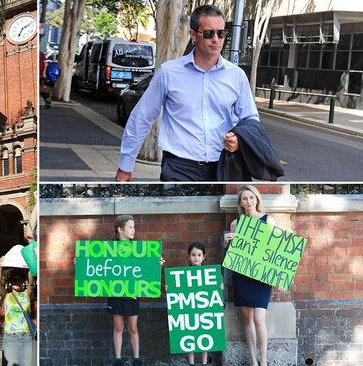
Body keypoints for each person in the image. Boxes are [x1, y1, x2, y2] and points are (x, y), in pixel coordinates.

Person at [115, 4, 259, 182]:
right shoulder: (168, 73)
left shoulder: (236, 76)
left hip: (223, 166)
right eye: (209, 33)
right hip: (178, 168)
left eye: (221, 33)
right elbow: (141, 117)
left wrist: (239, 139)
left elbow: (251, 118)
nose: (216, 39)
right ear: (193, 35)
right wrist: (126, 165)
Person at [224, 185, 277, 366]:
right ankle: (253, 361)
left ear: (257, 199)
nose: (248, 201)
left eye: (251, 197)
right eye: (245, 198)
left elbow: (275, 249)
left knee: (259, 319)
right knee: (247, 319)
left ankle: (264, 361)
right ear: (240, 203)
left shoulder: (268, 220)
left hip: (261, 276)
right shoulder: (236, 224)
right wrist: (227, 244)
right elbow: (233, 255)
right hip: (242, 275)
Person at [105, 215, 165, 366]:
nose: (134, 230)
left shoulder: (139, 249)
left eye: (134, 227)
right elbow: (95, 265)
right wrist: (80, 262)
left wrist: (157, 264)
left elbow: (146, 269)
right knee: (118, 327)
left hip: (132, 293)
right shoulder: (108, 248)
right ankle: (118, 359)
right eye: (130, 227)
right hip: (115, 293)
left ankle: (136, 359)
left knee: (132, 327)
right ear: (120, 229)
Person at [0, 256, 35, 366]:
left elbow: (31, 284)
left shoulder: (26, 295)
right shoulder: (6, 296)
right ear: (10, 282)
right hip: (10, 337)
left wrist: (30, 266)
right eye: (14, 280)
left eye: (19, 280)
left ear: (23, 282)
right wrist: (0, 266)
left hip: (26, 336)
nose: (17, 282)